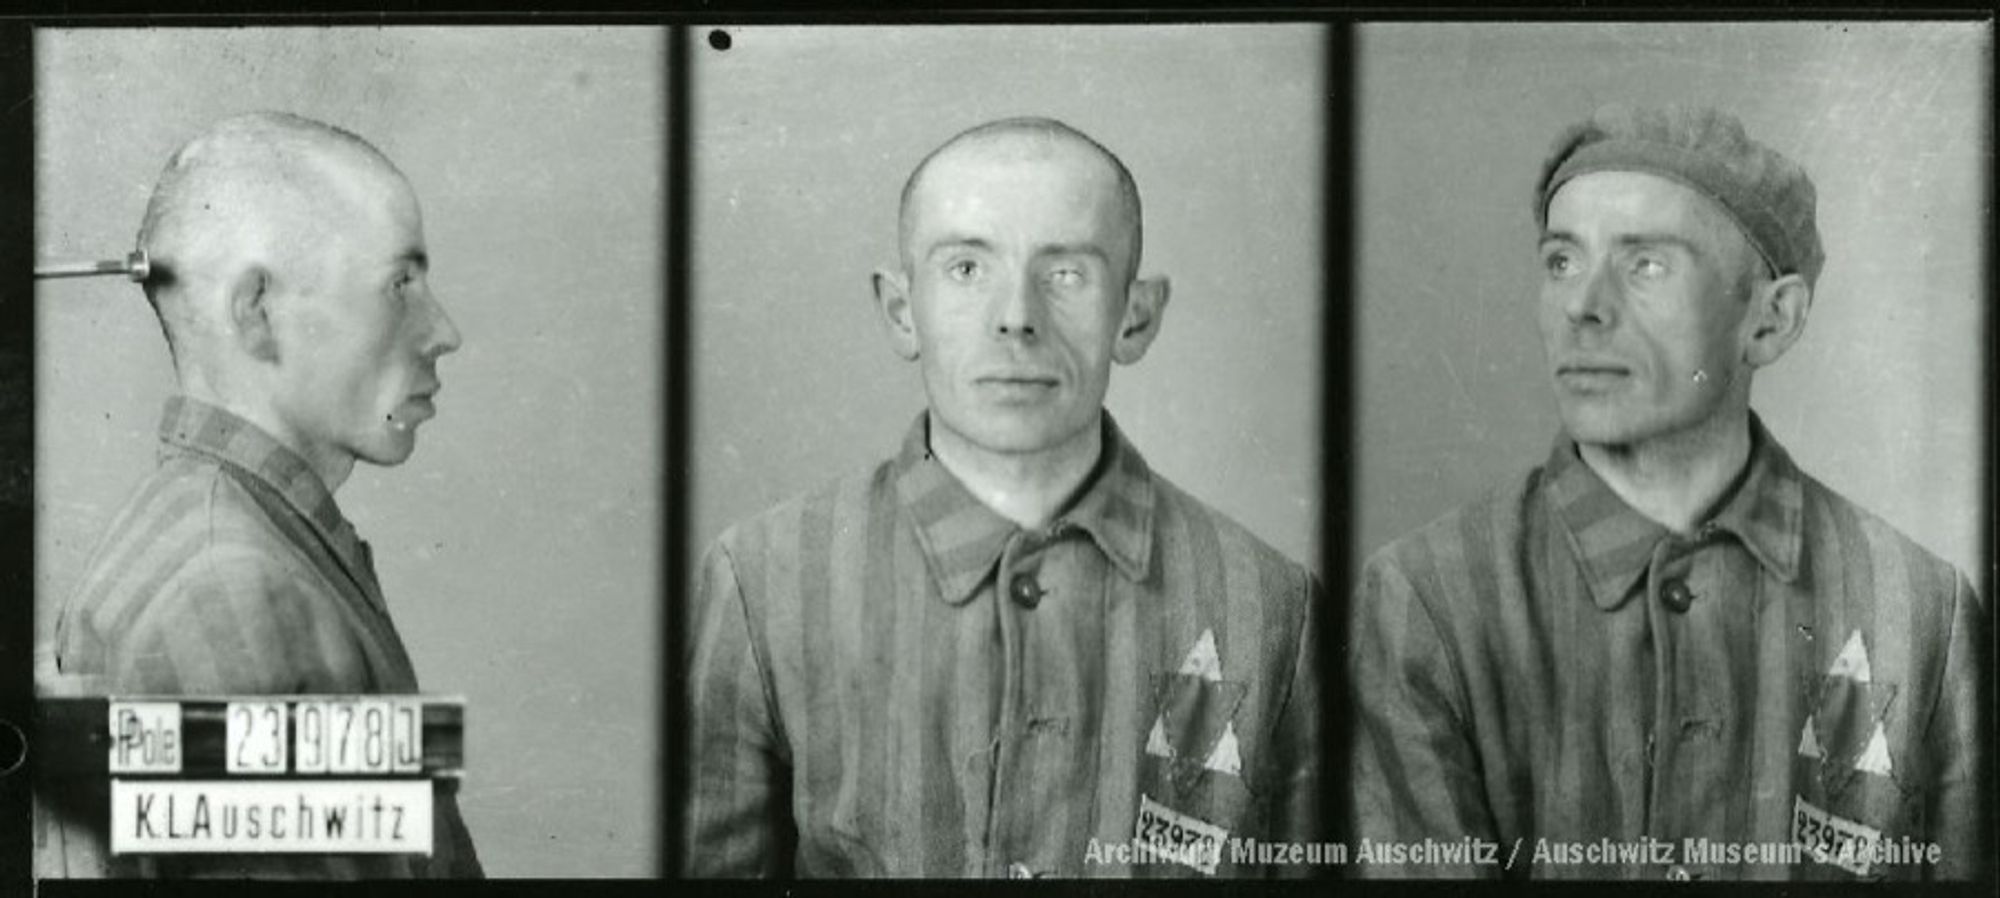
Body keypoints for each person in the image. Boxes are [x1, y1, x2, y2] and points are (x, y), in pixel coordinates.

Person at [1348, 104, 1989, 881]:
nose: (1583, 306)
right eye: (1561, 262)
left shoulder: (1924, 611)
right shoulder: (1429, 600)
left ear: (1771, 321)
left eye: (1645, 264)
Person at [682, 117, 1325, 878]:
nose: (1016, 315)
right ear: (900, 309)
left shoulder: (1272, 602)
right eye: (965, 268)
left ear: (1136, 314)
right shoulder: (765, 581)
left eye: (1066, 273)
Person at [36, 111, 482, 878]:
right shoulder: (236, 589)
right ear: (258, 312)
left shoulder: (234, 539)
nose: (444, 331)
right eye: (399, 284)